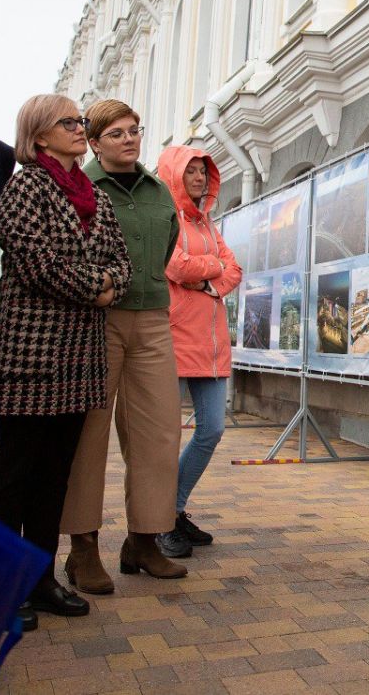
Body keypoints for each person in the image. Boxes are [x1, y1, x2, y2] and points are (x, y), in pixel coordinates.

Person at [0, 94, 132, 630]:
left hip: (79, 359)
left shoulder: (93, 194)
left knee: (54, 476)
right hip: (32, 354)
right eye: (69, 122)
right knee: (13, 476)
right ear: (39, 134)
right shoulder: (23, 186)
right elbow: (33, 259)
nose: (80, 128)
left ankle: (39, 579)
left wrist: (106, 284)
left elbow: (120, 261)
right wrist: (95, 288)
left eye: (80, 121)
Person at [59, 99, 187, 588]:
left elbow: (168, 245)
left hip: (153, 319)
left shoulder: (158, 191)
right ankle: (83, 547)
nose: (130, 138)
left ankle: (145, 540)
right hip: (98, 319)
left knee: (158, 433)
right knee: (89, 436)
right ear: (94, 142)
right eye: (116, 133)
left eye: (135, 130)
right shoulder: (79, 187)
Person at [155, 146, 241, 558]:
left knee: (212, 430)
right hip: (174, 340)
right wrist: (213, 267)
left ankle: (172, 510)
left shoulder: (207, 221)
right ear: (174, 174)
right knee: (164, 438)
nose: (198, 178)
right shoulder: (165, 216)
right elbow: (175, 267)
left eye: (203, 171)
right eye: (190, 171)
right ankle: (159, 522)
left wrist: (208, 278)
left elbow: (235, 269)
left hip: (211, 343)